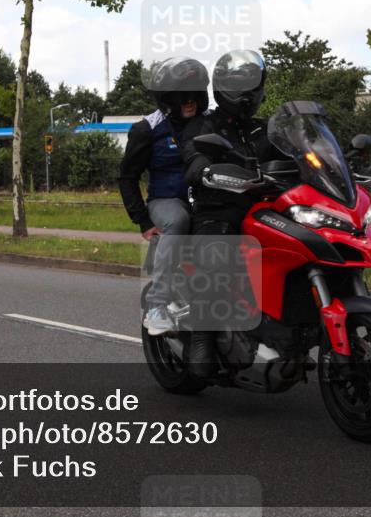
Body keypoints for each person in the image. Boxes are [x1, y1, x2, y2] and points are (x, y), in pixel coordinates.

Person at [180, 49, 283, 376]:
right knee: (216, 254)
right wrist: (203, 170)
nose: (248, 91)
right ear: (224, 87)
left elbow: (294, 155)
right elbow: (193, 156)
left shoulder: (265, 130)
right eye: (241, 83)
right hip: (219, 211)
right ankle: (201, 337)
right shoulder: (203, 125)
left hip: (265, 209)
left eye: (253, 83)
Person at [118, 57, 210, 335]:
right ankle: (157, 306)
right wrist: (143, 222)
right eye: (182, 97)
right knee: (178, 220)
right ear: (168, 99)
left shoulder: (210, 123)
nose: (190, 101)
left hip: (204, 201)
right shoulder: (147, 129)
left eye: (194, 95)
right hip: (166, 202)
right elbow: (127, 177)